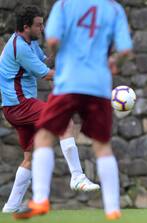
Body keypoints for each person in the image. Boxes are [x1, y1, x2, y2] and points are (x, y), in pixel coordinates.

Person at [13, 0, 132, 220]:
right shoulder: (114, 9)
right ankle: (112, 208)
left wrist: (64, 53)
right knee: (103, 145)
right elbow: (125, 50)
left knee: (44, 137)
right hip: (98, 85)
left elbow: (54, 40)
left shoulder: (65, 5)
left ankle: (40, 199)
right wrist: (115, 61)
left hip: (68, 81)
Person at [0, 5, 100, 213]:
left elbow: (45, 62)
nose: (42, 28)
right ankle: (77, 177)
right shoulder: (20, 47)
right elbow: (44, 73)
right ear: (26, 27)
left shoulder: (29, 43)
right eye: (39, 25)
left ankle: (10, 207)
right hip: (21, 104)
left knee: (29, 156)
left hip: (15, 107)